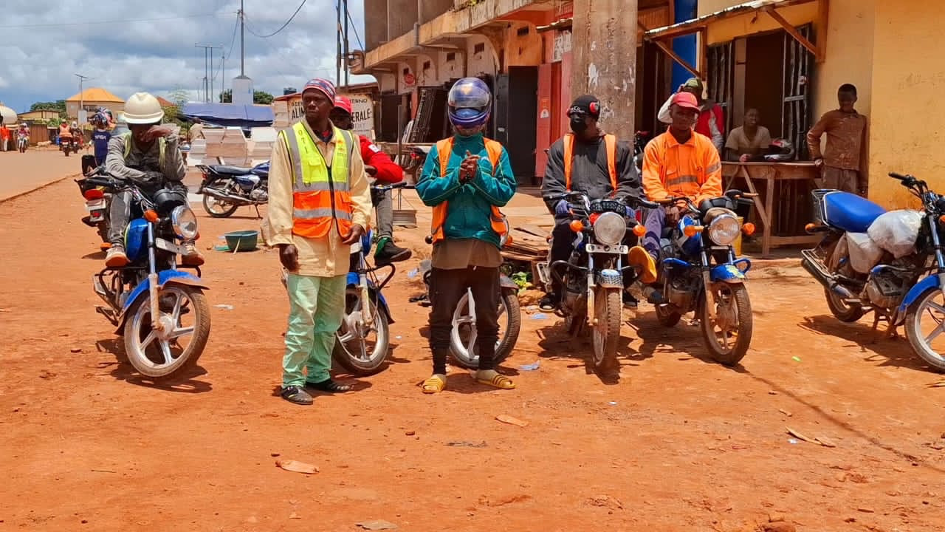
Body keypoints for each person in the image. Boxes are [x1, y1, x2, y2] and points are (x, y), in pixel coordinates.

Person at [262, 78, 373, 406]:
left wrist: (360, 221)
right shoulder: (289, 140)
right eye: (306, 101)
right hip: (303, 243)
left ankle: (319, 374)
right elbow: (279, 192)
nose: (310, 105)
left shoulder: (348, 143)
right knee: (303, 315)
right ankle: (292, 380)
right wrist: (283, 240)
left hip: (338, 242)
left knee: (330, 316)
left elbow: (359, 189)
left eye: (317, 100)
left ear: (330, 104)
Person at [415, 77, 517, 394]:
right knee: (441, 311)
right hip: (449, 243)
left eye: (472, 124)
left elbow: (504, 193)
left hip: (485, 242)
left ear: (484, 117)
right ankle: (438, 371)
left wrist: (480, 177)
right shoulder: (441, 151)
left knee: (487, 311)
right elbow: (426, 192)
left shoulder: (496, 151)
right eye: (462, 123)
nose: (467, 129)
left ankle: (486, 367)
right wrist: (457, 178)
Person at [540, 94, 642, 311]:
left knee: (632, 231)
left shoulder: (617, 147)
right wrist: (560, 200)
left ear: (594, 117)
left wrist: (620, 201)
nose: (576, 120)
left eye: (582, 116)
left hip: (609, 210)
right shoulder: (561, 147)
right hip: (576, 209)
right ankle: (556, 291)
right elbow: (552, 184)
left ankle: (625, 287)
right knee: (562, 232)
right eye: (573, 115)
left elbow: (630, 182)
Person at [103, 92, 203, 268]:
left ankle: (188, 243)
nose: (143, 131)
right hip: (132, 194)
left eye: (149, 126)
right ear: (129, 125)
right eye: (138, 126)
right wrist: (145, 176)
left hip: (160, 195)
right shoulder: (119, 142)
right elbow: (114, 168)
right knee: (120, 189)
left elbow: (176, 174)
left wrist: (171, 141)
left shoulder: (165, 144)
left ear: (158, 125)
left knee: (178, 189)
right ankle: (117, 245)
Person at [329, 95, 411, 264]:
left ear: (349, 122)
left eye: (341, 118)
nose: (336, 122)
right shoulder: (314, 144)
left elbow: (395, 172)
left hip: (354, 203)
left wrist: (368, 168)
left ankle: (385, 242)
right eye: (332, 117)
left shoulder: (360, 144)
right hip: (325, 207)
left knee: (383, 185)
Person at [642, 91, 723, 260]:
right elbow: (652, 184)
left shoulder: (706, 146)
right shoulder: (655, 146)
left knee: (720, 218)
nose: (684, 118)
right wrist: (670, 204)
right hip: (665, 207)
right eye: (680, 112)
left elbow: (713, 185)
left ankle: (727, 264)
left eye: (689, 114)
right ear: (671, 112)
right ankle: (650, 258)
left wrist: (691, 205)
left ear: (696, 117)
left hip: (696, 207)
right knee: (654, 211)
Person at [807, 83, 868, 195]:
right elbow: (812, 135)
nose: (845, 103)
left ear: (855, 99)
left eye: (848, 100)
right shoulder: (830, 117)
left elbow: (862, 151)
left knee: (850, 204)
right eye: (842, 100)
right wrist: (816, 156)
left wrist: (863, 180)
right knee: (830, 201)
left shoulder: (861, 120)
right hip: (832, 168)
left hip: (852, 170)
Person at [658, 78, 725, 153]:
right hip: (679, 150)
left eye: (691, 90)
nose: (688, 93)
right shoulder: (681, 108)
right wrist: (676, 94)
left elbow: (717, 136)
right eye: (686, 90)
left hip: (702, 151)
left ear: (699, 92)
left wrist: (710, 153)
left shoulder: (712, 109)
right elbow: (662, 117)